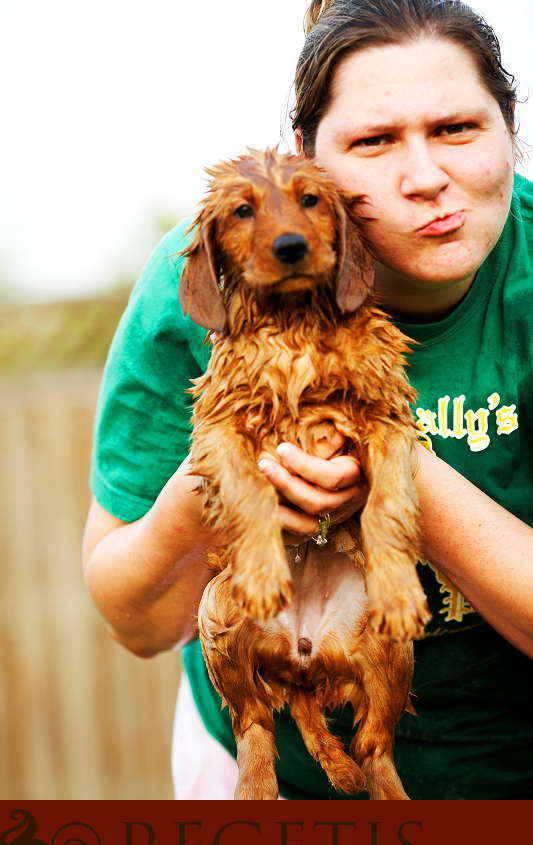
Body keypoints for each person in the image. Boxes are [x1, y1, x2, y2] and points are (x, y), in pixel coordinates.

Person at [83, 0, 533, 800]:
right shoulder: (215, 273)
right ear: (307, 154)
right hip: (266, 768)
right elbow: (135, 622)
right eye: (373, 140)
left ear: (510, 128)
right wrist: (209, 493)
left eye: (458, 128)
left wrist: (389, 465)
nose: (424, 176)